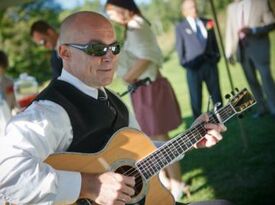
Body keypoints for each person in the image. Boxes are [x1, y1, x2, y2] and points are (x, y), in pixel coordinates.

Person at [0, 11, 232, 205]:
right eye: (96, 49)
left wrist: (190, 138)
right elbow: (8, 175)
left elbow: (140, 153)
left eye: (114, 47)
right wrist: (90, 185)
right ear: (65, 52)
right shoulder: (49, 112)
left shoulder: (113, 99)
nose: (109, 57)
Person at [104, 0, 191, 200]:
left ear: (124, 7)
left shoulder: (136, 25)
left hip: (149, 87)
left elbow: (147, 56)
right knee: (152, 140)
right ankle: (168, 182)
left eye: (113, 12)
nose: (112, 17)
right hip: (143, 89)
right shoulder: (132, 27)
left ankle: (177, 184)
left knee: (161, 139)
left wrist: (128, 77)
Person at [225, 0, 275, 118]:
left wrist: (252, 30)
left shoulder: (261, 2)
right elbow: (230, 30)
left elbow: (271, 23)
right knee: (251, 81)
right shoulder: (231, 8)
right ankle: (261, 108)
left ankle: (273, 108)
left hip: (259, 47)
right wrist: (229, 52)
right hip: (241, 50)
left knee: (266, 78)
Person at [175, 0, 223, 120]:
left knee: (216, 95)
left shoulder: (207, 22)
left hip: (211, 65)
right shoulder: (180, 27)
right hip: (193, 69)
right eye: (190, 7)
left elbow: (214, 42)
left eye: (194, 6)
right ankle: (198, 123)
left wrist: (216, 57)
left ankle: (221, 118)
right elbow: (181, 53)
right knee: (196, 99)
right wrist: (188, 65)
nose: (194, 9)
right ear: (184, 11)